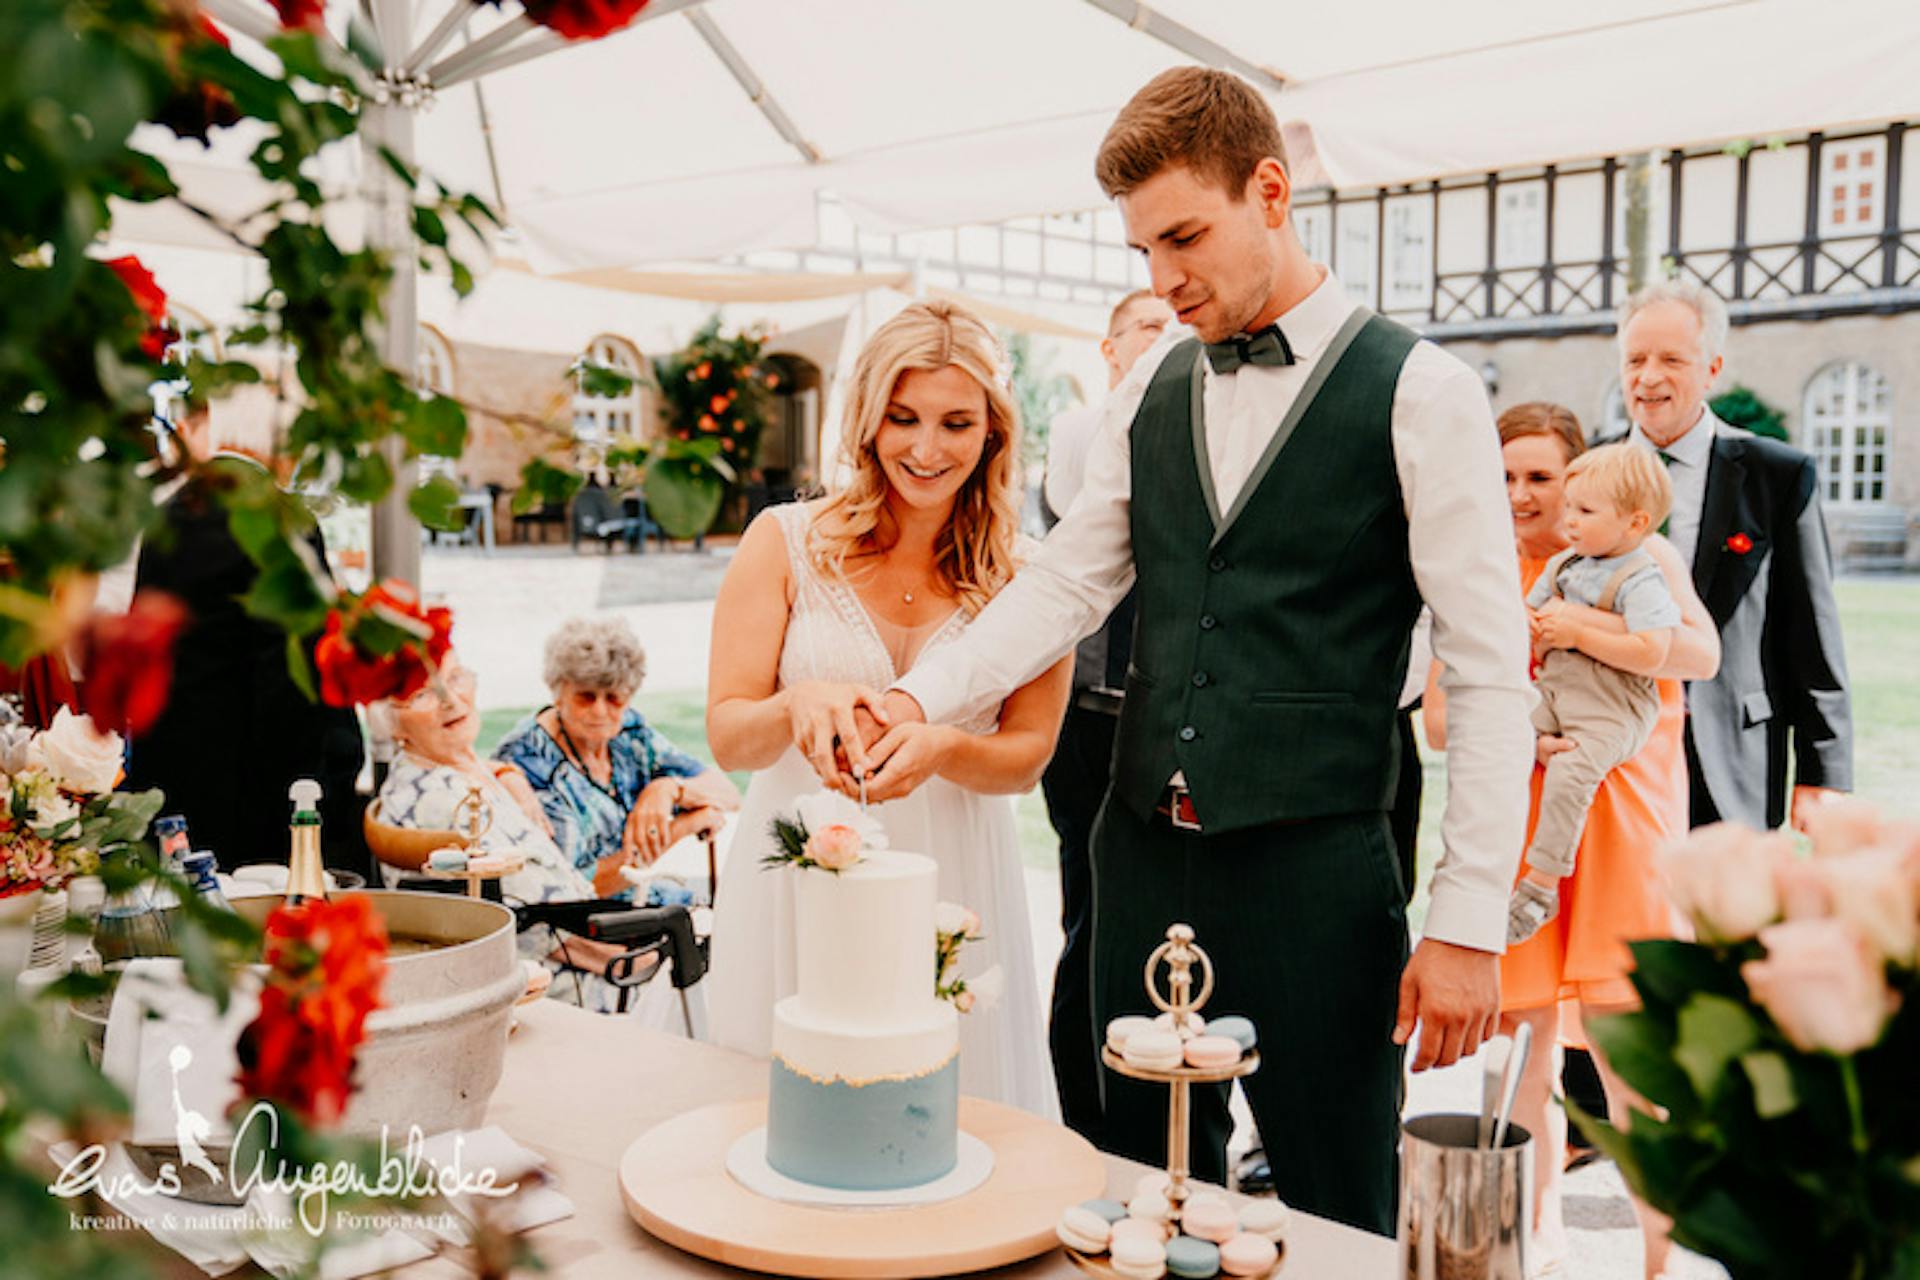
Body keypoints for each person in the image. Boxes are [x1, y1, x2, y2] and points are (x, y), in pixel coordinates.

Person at [869, 68, 1536, 1235]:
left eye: (1184, 235)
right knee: (1132, 1191)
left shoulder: (1420, 392)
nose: (1163, 278)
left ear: (1270, 191)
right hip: (1136, 859)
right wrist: (916, 700)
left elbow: (1486, 668)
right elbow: (1070, 579)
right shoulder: (1150, 387)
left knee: (1340, 1199)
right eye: (1140, 250)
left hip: (1320, 867)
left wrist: (1468, 919)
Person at [703, 300, 1069, 1117]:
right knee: (790, 1111)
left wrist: (941, 750)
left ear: (993, 433)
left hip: (956, 869)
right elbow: (729, 731)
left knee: (949, 1117)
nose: (927, 448)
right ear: (867, 419)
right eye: (902, 418)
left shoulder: (1031, 578)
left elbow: (1027, 757)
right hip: (797, 871)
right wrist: (796, 702)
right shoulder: (786, 540)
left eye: (956, 423)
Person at [1426, 402, 1720, 1279]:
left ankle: (1665, 1251)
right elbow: (1441, 719)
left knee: (1627, 1048)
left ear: (1582, 480)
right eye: (1506, 477)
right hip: (1525, 829)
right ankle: (1537, 1232)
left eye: (1540, 478)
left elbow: (1698, 657)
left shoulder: (1642, 555)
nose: (1521, 495)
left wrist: (1594, 634)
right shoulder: (1485, 572)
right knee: (1522, 1044)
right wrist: (1524, 734)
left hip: (1623, 820)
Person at [1615, 281, 1851, 832]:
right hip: (1617, 753)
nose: (1648, 377)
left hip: (1733, 757)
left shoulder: (1779, 474)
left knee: (1728, 920)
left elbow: (1810, 626)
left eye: (1671, 359)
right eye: (1635, 359)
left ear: (1712, 368)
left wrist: (1825, 771)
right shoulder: (1590, 467)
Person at [374, 653, 722, 1012]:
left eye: (455, 677)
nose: (450, 699)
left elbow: (721, 786)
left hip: (592, 939)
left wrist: (507, 773)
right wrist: (654, 962)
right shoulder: (448, 801)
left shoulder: (461, 769)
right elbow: (544, 924)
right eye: (421, 695)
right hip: (567, 985)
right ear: (390, 723)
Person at [1038, 287, 1173, 1143]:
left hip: (1169, 718)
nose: (1168, 343)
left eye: (1178, 329)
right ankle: (1087, 1118)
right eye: (1149, 331)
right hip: (1089, 716)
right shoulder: (1083, 433)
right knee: (1093, 919)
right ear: (1111, 350)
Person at [126, 406, 365, 873]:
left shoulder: (165, 522)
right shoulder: (280, 520)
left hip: (176, 769)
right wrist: (327, 779)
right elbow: (294, 673)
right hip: (261, 792)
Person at [1508, 444, 1680, 943]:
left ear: (1634, 523)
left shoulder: (1641, 577)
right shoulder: (1565, 563)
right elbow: (1527, 612)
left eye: (1585, 511)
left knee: (1570, 773)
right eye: (1570, 508)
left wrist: (1580, 633)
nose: (1570, 522)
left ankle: (1540, 887)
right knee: (1500, 737)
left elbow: (1653, 650)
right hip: (1558, 693)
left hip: (1612, 706)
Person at [492, 617, 739, 897]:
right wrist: (684, 826)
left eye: (614, 698)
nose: (600, 711)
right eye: (585, 697)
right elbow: (575, 886)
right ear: (558, 693)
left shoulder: (629, 733)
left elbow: (728, 792)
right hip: (587, 924)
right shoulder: (530, 761)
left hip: (643, 899)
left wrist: (669, 789)